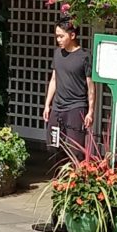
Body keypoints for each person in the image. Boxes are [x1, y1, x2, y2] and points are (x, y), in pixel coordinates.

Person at [42, 21, 97, 156]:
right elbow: (54, 79)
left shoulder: (84, 56)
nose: (58, 40)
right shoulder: (57, 54)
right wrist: (47, 105)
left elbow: (91, 86)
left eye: (61, 36)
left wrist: (90, 111)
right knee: (53, 146)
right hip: (57, 107)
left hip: (76, 107)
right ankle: (56, 176)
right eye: (57, 36)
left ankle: (74, 175)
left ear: (72, 35)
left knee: (75, 150)